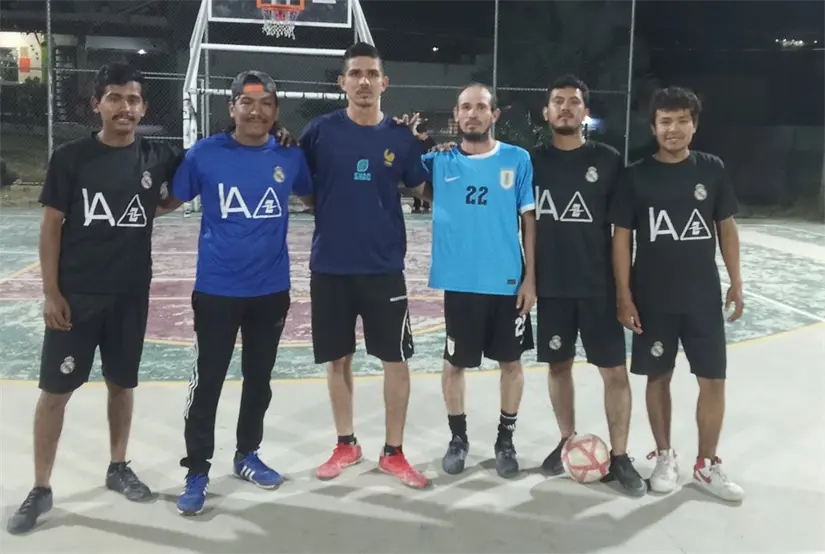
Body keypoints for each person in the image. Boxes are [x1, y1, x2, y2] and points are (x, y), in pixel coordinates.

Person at [6, 63, 183, 535]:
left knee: (122, 385)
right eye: (115, 98)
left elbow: (172, 197)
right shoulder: (71, 158)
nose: (125, 108)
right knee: (55, 395)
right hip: (77, 297)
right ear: (97, 104)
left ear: (143, 107)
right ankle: (41, 488)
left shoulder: (156, 156)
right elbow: (50, 226)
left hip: (130, 295)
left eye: (133, 100)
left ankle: (118, 465)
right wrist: (50, 292)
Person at [161, 71, 313, 516]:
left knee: (259, 379)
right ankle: (197, 470)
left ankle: (247, 453)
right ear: (232, 108)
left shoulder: (290, 155)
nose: (256, 111)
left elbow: (318, 200)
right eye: (247, 103)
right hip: (217, 289)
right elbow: (168, 201)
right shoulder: (206, 153)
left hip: (270, 290)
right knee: (207, 381)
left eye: (266, 103)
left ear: (276, 111)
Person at [297, 42, 431, 489]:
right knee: (338, 359)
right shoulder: (319, 131)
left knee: (395, 359)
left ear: (384, 83)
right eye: (355, 74)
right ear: (343, 82)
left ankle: (393, 452)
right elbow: (305, 190)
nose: (364, 82)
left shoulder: (400, 137)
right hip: (331, 266)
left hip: (383, 267)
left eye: (372, 74)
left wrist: (448, 159)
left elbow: (421, 190)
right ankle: (345, 443)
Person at [609, 86, 745, 502]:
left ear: (694, 125)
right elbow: (621, 239)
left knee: (714, 380)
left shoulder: (712, 169)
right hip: (653, 298)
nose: (673, 128)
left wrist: (736, 281)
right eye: (665, 121)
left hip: (702, 296)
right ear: (653, 126)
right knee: (658, 376)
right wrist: (624, 295)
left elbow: (726, 227)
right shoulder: (635, 176)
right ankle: (665, 454)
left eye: (682, 120)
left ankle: (707, 464)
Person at [531, 75, 645, 496]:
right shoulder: (531, 161)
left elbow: (622, 230)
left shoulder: (610, 160)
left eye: (573, 101)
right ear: (546, 112)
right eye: (557, 101)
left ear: (585, 112)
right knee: (558, 367)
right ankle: (567, 439)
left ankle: (619, 456)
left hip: (598, 287)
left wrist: (624, 291)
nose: (565, 107)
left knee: (613, 371)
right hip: (552, 287)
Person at [422, 83, 536, 478]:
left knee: (511, 362)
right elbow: (396, 164)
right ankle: (458, 438)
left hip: (506, 283)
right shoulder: (438, 161)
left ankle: (505, 440)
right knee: (454, 364)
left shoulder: (517, 159)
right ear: (456, 115)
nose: (472, 114)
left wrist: (530, 279)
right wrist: (410, 137)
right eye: (465, 107)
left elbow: (529, 221)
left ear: (494, 115)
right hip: (461, 283)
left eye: (481, 107)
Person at [412, 119, 434, 213]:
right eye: (423, 133)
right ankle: (416, 205)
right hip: (416, 166)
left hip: (426, 167)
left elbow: (433, 151)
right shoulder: (414, 141)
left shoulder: (430, 141)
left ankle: (426, 205)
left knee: (427, 183)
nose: (425, 136)